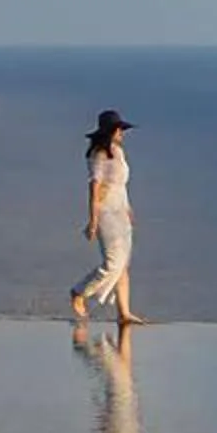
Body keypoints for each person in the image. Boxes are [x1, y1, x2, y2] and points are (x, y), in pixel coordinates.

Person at [70, 108, 138, 327]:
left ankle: (124, 313)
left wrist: (128, 207)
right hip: (107, 211)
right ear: (112, 131)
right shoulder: (98, 155)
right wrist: (93, 219)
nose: (122, 134)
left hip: (121, 211)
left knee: (123, 265)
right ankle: (80, 291)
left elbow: (121, 184)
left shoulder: (117, 152)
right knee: (112, 263)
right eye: (119, 130)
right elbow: (95, 187)